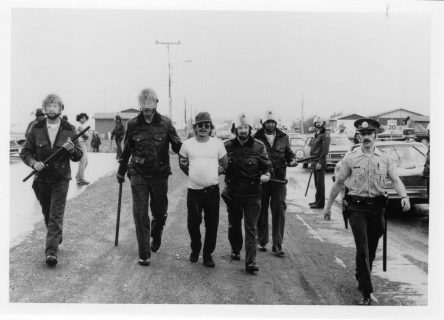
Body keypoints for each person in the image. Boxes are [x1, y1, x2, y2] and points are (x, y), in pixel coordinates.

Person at [323, 118, 411, 305]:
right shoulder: (351, 158)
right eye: (362, 134)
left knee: (370, 248)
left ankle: (361, 273)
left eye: (369, 134)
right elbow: (339, 183)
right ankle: (366, 291)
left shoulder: (385, 158)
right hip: (356, 207)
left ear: (375, 135)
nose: (366, 137)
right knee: (362, 247)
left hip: (377, 207)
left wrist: (404, 196)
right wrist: (328, 206)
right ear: (358, 136)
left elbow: (395, 180)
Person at [117, 88, 182, 266]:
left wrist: (191, 150)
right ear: (140, 106)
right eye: (144, 106)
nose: (147, 108)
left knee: (159, 213)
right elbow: (127, 150)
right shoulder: (132, 124)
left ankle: (157, 232)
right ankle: (144, 253)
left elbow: (178, 146)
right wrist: (121, 170)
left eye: (150, 105)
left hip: (160, 175)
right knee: (140, 214)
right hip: (138, 174)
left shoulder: (166, 124)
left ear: (155, 105)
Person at [20, 94, 83, 266]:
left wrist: (72, 151)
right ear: (44, 108)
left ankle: (51, 252)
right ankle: (56, 235)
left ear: (61, 108)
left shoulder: (69, 129)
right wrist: (34, 164)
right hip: (41, 179)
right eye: (48, 106)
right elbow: (25, 153)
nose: (52, 109)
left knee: (56, 214)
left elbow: (78, 156)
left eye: (55, 107)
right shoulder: (36, 128)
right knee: (48, 212)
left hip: (61, 178)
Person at [222, 113, 272, 274]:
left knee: (251, 227)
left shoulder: (258, 146)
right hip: (233, 194)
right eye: (239, 128)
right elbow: (219, 163)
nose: (243, 131)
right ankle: (236, 250)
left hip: (253, 194)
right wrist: (219, 169)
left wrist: (267, 174)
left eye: (245, 127)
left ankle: (250, 261)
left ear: (250, 128)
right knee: (234, 224)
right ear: (235, 129)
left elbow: (267, 165)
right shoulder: (227, 145)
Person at [178, 112, 228, 267]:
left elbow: (225, 163)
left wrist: (216, 172)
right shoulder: (187, 144)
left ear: (211, 128)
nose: (203, 128)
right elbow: (182, 163)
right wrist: (192, 175)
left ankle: (207, 254)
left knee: (212, 225)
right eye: (200, 125)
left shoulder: (217, 144)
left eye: (207, 125)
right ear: (195, 127)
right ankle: (195, 248)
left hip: (212, 191)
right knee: (193, 223)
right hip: (194, 191)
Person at [254, 110, 298, 256]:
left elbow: (289, 154)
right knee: (261, 211)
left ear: (276, 123)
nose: (270, 124)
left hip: (279, 181)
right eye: (268, 122)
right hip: (262, 181)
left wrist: (292, 160)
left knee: (279, 212)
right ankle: (261, 241)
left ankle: (277, 245)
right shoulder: (256, 137)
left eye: (272, 122)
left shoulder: (283, 137)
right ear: (263, 123)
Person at [308, 116, 330, 209]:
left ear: (323, 123)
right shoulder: (316, 134)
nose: (318, 124)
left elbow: (325, 150)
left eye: (319, 122)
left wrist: (320, 162)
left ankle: (320, 203)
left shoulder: (325, 134)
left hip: (319, 161)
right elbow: (311, 145)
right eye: (316, 123)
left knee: (320, 184)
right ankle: (317, 201)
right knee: (317, 183)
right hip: (314, 160)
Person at [75, 113, 90, 185]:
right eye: (82, 118)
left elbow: (87, 136)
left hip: (83, 143)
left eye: (85, 118)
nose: (83, 119)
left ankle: (78, 176)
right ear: (79, 119)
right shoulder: (79, 126)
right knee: (83, 161)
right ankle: (80, 179)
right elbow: (87, 135)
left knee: (85, 162)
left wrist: (86, 135)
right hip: (80, 143)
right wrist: (87, 134)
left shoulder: (83, 126)